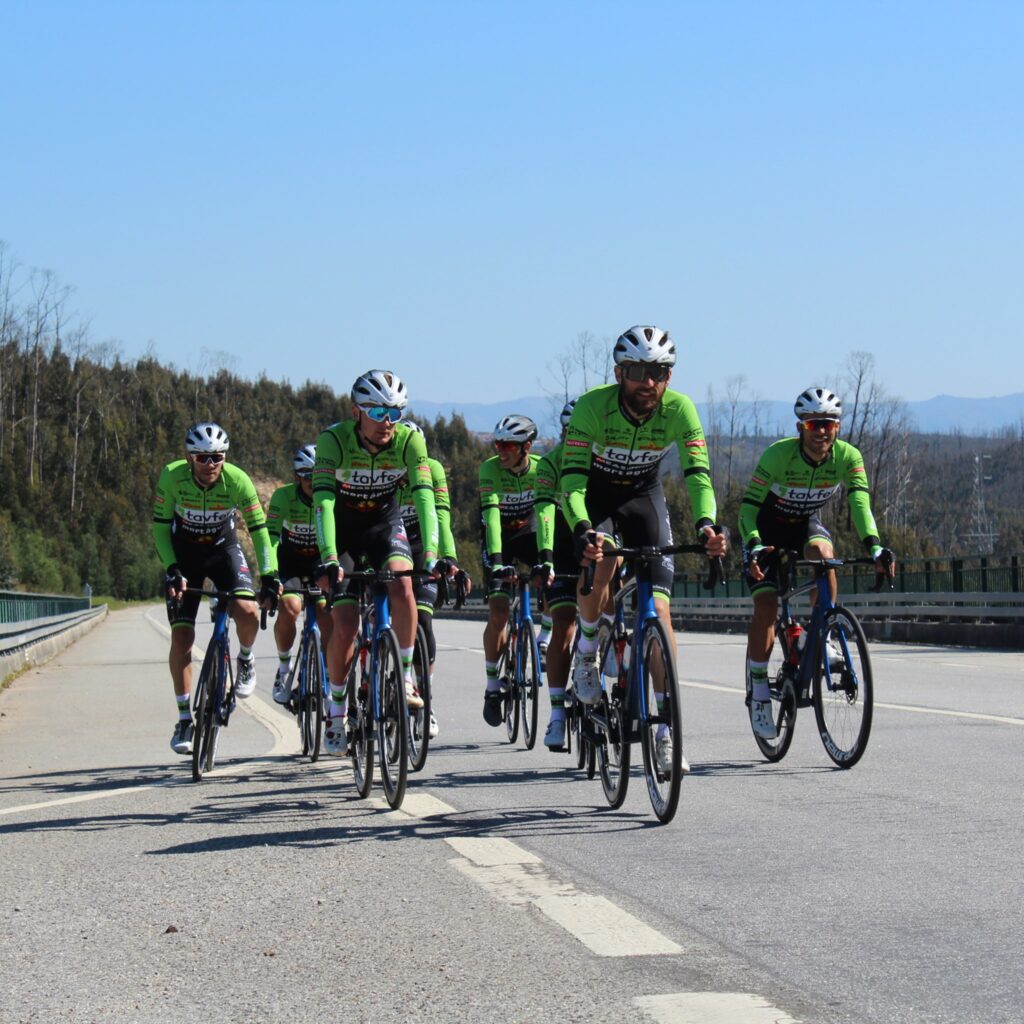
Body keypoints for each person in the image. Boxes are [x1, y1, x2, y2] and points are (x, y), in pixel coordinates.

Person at [561, 326, 728, 775]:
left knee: (658, 609)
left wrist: (707, 524)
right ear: (619, 373)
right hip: (595, 494)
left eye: (658, 372)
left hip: (643, 495)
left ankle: (666, 732)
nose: (647, 382)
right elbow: (572, 478)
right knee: (603, 561)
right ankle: (588, 650)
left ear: (668, 377)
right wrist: (581, 527)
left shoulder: (680, 409)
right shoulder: (592, 408)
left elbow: (697, 475)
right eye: (637, 371)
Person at [739, 386, 896, 739]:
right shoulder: (778, 456)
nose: (821, 431)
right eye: (812, 425)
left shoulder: (848, 457)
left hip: (805, 524)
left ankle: (822, 632)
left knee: (827, 557)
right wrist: (754, 545)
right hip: (765, 529)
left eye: (827, 423)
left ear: (837, 427)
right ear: (801, 429)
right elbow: (747, 509)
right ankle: (760, 689)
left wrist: (874, 547)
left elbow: (860, 505)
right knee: (766, 605)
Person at [313, 370, 440, 757]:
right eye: (377, 411)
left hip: (385, 525)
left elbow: (424, 499)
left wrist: (432, 554)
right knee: (347, 625)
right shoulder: (333, 441)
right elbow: (324, 504)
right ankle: (336, 712)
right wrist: (330, 557)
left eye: (395, 412)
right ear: (356, 411)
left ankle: (402, 676)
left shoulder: (409, 441)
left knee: (404, 585)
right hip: (345, 532)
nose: (387, 421)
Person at [153, 422, 279, 755]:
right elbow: (160, 527)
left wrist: (269, 574)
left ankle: (246, 658)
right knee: (182, 636)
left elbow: (259, 531)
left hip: (224, 550)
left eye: (217, 457)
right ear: (189, 457)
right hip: (186, 555)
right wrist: (171, 568)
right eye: (202, 457)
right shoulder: (172, 476)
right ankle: (184, 718)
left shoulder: (238, 481)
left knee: (248, 609)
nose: (210, 464)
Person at [397, 421, 469, 738]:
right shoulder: (384, 470)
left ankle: (427, 700)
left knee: (423, 621)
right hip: (387, 540)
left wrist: (448, 558)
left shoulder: (432, 468)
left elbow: (441, 516)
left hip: (421, 541)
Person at [478, 414, 541, 726]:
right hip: (498, 537)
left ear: (526, 447)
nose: (500, 450)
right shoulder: (489, 469)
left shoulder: (542, 470)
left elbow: (546, 519)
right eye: (497, 444)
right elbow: (490, 518)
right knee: (499, 612)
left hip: (529, 534)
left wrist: (549, 559)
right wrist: (499, 560)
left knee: (555, 584)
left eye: (508, 445)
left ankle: (544, 636)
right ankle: (492, 686)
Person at [266, 444, 333, 704]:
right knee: (290, 607)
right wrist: (270, 572)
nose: (313, 483)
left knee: (328, 611)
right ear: (297, 477)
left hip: (320, 561)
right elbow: (271, 537)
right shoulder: (283, 497)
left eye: (319, 477)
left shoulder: (330, 497)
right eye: (308, 476)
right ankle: (284, 669)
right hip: (291, 561)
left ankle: (327, 672)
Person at [534, 399, 581, 750]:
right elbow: (545, 514)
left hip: (601, 541)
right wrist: (547, 558)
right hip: (564, 544)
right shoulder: (551, 463)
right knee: (563, 625)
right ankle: (557, 714)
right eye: (570, 431)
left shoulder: (605, 461)